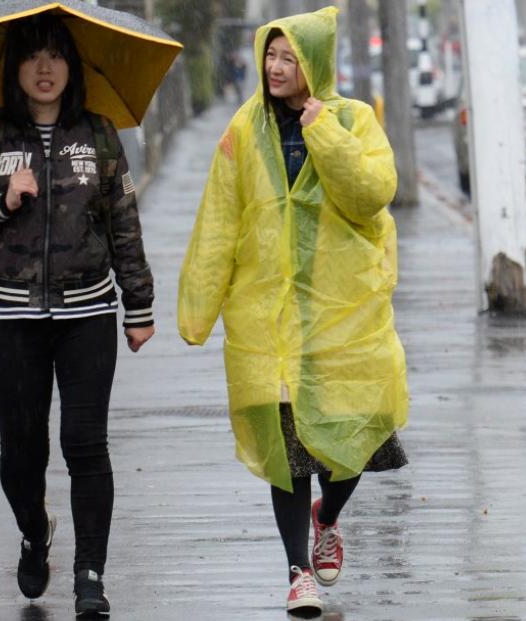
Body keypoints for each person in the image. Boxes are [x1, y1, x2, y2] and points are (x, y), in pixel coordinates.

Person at [177, 7, 408, 615]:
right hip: (267, 321)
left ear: (315, 65)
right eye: (270, 56)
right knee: (286, 452)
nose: (276, 68)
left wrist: (322, 131)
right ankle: (297, 570)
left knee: (361, 429)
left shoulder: (353, 120)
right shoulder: (242, 129)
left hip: (343, 316)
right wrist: (196, 309)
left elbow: (372, 195)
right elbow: (219, 220)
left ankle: (327, 517)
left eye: (290, 58)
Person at [0, 12, 155, 616]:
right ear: (16, 68)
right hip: (12, 319)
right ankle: (35, 531)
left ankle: (91, 577)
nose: (44, 67)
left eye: (55, 55)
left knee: (86, 444)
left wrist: (139, 305)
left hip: (88, 312)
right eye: (32, 55)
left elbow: (124, 228)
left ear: (71, 66)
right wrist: (1, 202)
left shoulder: (99, 136)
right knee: (21, 453)